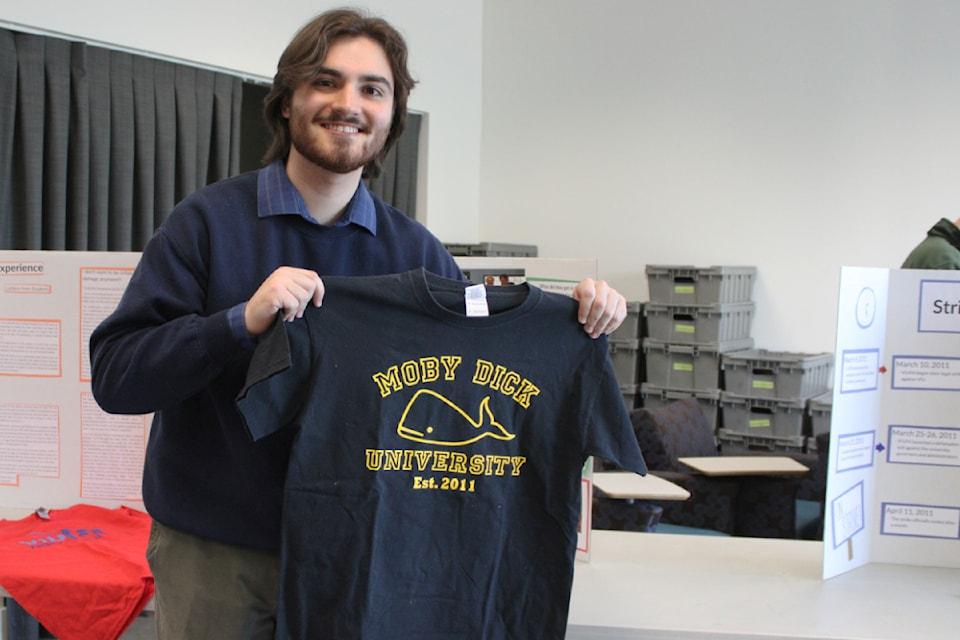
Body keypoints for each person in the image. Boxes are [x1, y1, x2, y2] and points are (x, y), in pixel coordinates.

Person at [89, 8, 627, 639]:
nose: (349, 104)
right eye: (326, 81)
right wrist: (237, 322)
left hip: (364, 559)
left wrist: (577, 318)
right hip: (221, 560)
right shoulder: (206, 224)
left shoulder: (418, 254)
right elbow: (117, 378)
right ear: (287, 101)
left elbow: (472, 383)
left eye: (372, 89)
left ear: (391, 116)